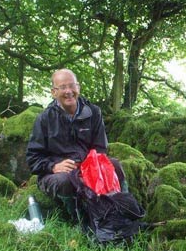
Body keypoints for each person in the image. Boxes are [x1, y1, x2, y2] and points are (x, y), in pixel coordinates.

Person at [26, 68, 126, 222]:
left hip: (88, 166)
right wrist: (53, 166)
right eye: (63, 87)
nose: (69, 91)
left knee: (115, 166)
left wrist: (88, 166)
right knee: (65, 181)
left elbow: (100, 149)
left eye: (72, 86)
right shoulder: (44, 119)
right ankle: (80, 221)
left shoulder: (93, 112)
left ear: (78, 87)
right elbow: (33, 159)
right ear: (53, 92)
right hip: (57, 173)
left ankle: (124, 210)